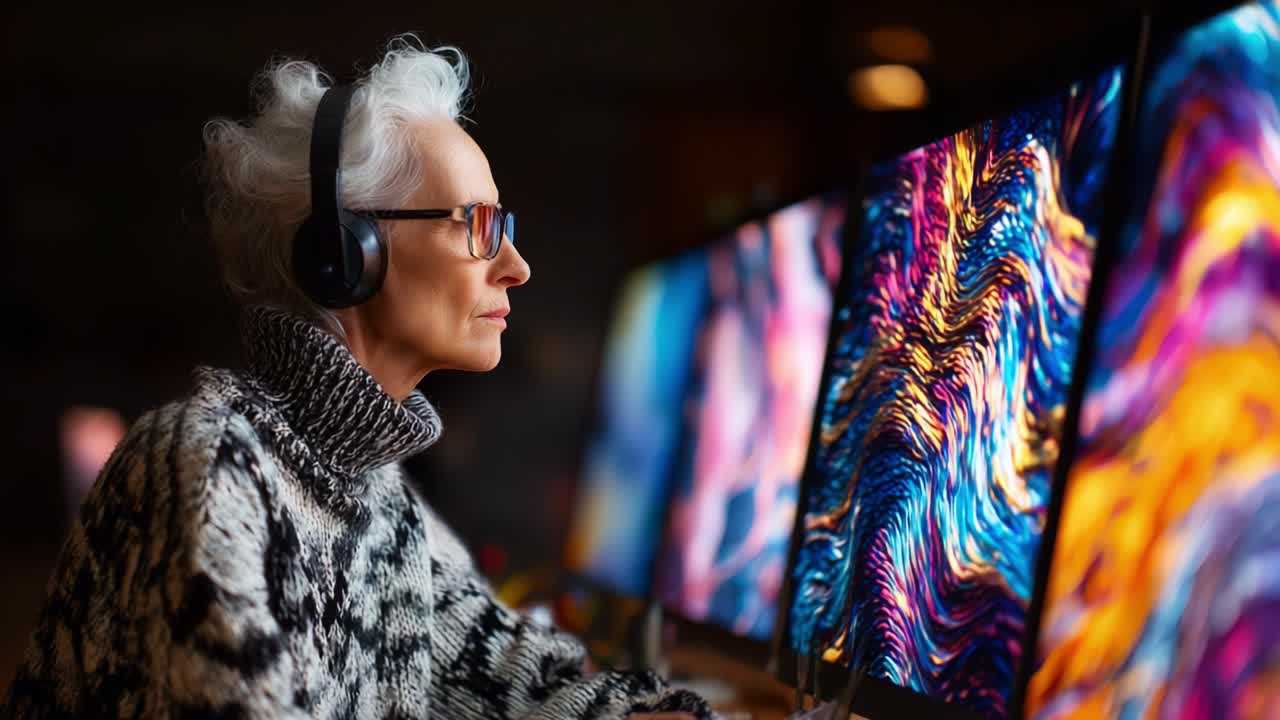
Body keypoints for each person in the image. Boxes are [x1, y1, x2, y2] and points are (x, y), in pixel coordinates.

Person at [2, 36, 710, 720]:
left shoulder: (378, 498)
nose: (516, 266)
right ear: (345, 252)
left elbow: (521, 684)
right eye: (481, 226)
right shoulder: (208, 466)